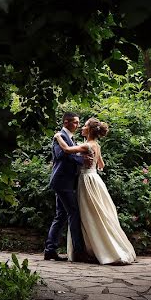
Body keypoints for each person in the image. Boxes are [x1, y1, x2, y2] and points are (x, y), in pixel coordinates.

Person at [68, 118, 137, 264]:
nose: (82, 128)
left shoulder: (87, 145)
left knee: (89, 213)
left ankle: (98, 248)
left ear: (90, 130)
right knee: (99, 212)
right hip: (96, 179)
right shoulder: (96, 145)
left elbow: (67, 150)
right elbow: (102, 164)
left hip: (87, 180)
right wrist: (93, 165)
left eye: (85, 126)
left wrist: (56, 137)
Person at [44, 112, 95, 262]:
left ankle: (50, 250)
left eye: (79, 123)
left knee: (60, 215)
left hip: (66, 182)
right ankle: (78, 252)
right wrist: (81, 160)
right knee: (74, 213)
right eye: (75, 123)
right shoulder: (60, 136)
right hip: (62, 182)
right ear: (66, 122)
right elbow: (62, 155)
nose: (78, 125)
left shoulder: (69, 139)